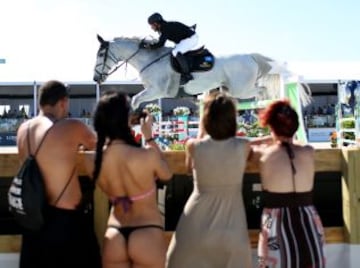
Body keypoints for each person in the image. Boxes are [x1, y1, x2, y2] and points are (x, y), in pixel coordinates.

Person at [16, 80, 101, 268]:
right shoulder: (71, 127)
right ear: (63, 102)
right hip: (66, 223)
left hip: (33, 221)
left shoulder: (23, 130)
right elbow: (101, 145)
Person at [166, 91, 252, 268]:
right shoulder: (243, 146)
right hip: (232, 225)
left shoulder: (194, 146)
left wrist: (202, 127)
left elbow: (190, 170)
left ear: (206, 119)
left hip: (196, 221)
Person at [90, 91, 173, 268]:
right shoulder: (146, 156)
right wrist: (149, 137)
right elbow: (166, 174)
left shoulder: (96, 160)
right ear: (126, 120)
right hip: (147, 231)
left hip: (114, 233)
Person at [251, 99, 325, 268]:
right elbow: (297, 144)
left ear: (271, 127)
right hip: (308, 217)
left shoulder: (264, 155)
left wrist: (269, 138)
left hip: (274, 219)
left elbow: (243, 146)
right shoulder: (308, 152)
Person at [142, 12, 200, 85]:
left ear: (156, 23)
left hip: (191, 38)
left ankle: (187, 75)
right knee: (173, 52)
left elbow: (160, 44)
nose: (151, 27)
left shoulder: (165, 28)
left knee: (176, 52)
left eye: (151, 25)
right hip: (184, 39)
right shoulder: (163, 27)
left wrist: (148, 46)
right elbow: (159, 41)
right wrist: (149, 45)